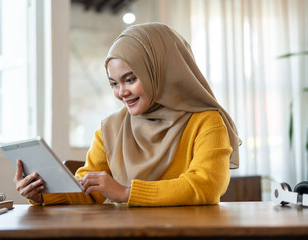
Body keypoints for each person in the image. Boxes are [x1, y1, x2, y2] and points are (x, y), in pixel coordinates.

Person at [14, 22, 240, 207]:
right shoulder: (111, 128)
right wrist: (41, 194)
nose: (121, 93)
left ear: (160, 71)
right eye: (114, 83)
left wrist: (125, 192)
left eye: (130, 79)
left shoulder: (207, 121)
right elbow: (88, 189)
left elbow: (206, 186)